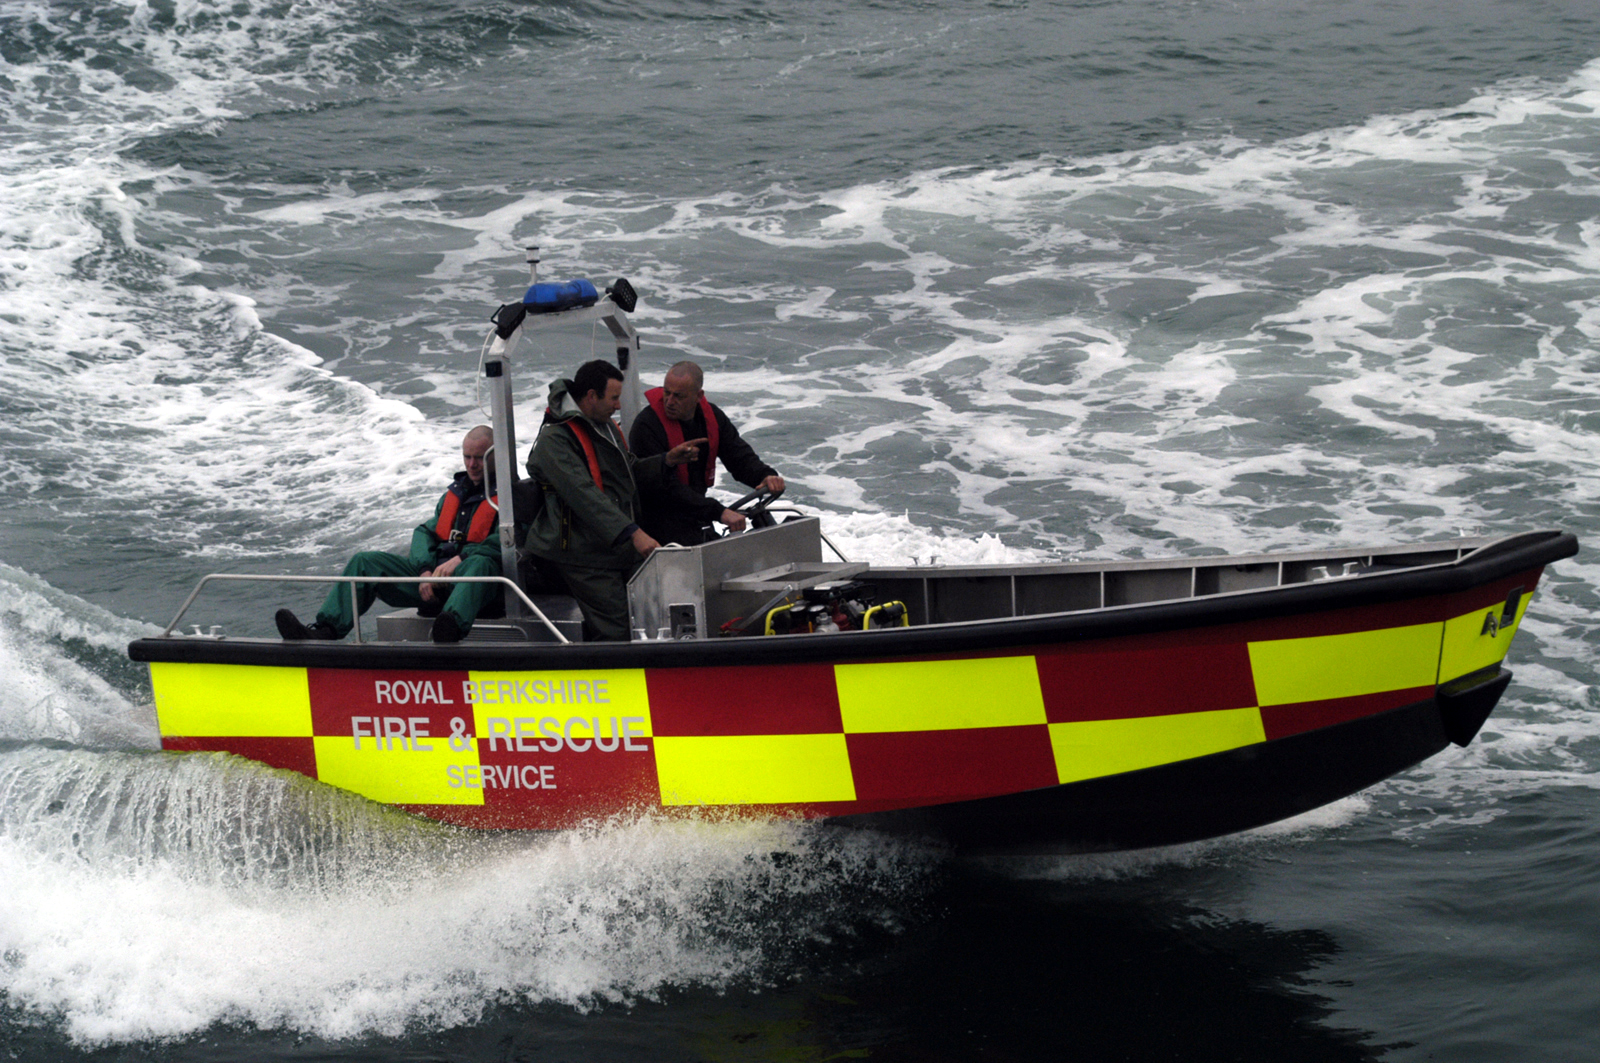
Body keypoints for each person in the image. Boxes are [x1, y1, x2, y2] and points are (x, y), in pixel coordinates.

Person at [523, 360, 702, 641]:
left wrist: (666, 461)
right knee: (619, 628)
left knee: (658, 609)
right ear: (591, 396)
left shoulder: (603, 427)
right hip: (581, 552)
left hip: (612, 545)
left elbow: (626, 472)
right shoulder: (554, 440)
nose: (619, 406)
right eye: (614, 398)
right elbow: (585, 496)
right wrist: (633, 533)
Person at [274, 425, 502, 644]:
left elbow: (506, 540)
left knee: (480, 564)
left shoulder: (510, 496)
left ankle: (450, 629)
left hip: (475, 585)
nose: (471, 465)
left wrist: (460, 558)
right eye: (467, 457)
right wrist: (424, 571)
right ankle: (325, 631)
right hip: (433, 578)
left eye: (479, 458)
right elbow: (425, 532)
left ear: (494, 455)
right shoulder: (453, 495)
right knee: (364, 561)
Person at [627, 360, 786, 546]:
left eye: (679, 396)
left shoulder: (713, 417)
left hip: (697, 517)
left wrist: (765, 476)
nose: (670, 402)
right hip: (657, 525)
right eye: (667, 393)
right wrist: (718, 511)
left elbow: (740, 458)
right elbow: (664, 488)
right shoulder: (646, 426)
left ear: (698, 396)